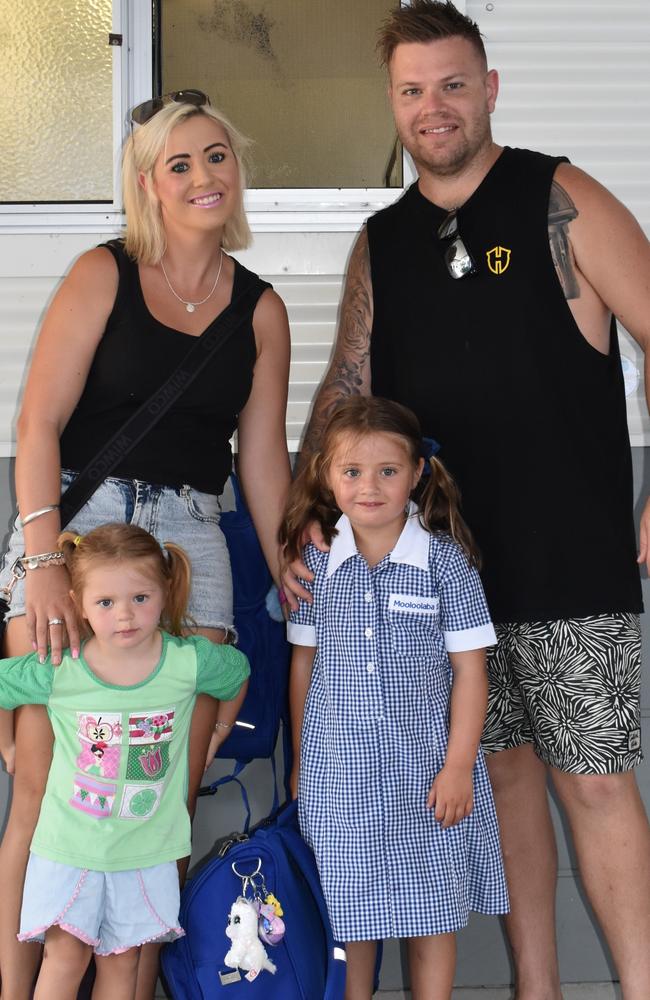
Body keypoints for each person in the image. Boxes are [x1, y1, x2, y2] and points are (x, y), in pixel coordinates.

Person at [285, 3, 650, 997]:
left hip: (570, 552)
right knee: (499, 781)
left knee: (598, 781)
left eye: (451, 84)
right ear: (392, 104)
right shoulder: (382, 241)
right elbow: (344, 388)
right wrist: (301, 520)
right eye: (410, 90)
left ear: (488, 89)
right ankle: (535, 987)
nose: (431, 107)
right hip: (442, 572)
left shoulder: (555, 195)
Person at [0, 91, 291, 999]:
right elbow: (39, 423)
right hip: (79, 539)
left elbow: (263, 463)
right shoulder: (102, 273)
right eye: (181, 164)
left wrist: (291, 565)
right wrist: (44, 561)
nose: (204, 176)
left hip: (191, 550)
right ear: (148, 185)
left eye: (217, 157)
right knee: (44, 791)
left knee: (165, 802)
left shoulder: (262, 309)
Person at [282, 396, 508, 1000]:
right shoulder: (316, 563)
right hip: (341, 775)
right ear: (327, 478)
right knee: (351, 915)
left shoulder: (445, 566)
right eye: (352, 472)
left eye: (387, 471)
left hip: (428, 772)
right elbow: (303, 666)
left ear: (416, 473)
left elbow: (470, 672)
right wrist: (304, 760)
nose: (370, 487)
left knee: (431, 914)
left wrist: (460, 765)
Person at [0, 523, 250, 1000]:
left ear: (165, 590)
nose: (125, 616)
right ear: (78, 603)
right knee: (65, 959)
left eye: (140, 597)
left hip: (147, 855)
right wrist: (8, 744)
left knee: (123, 965)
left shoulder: (189, 661)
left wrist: (219, 731)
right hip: (69, 853)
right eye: (106, 603)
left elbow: (237, 672)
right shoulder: (61, 667)